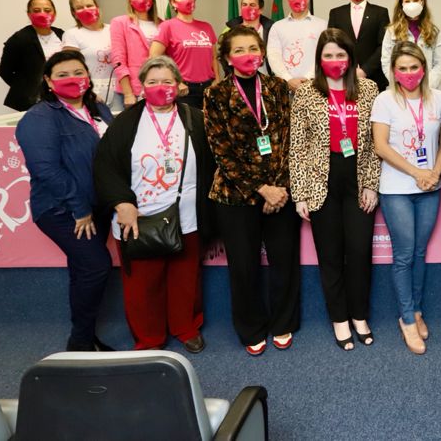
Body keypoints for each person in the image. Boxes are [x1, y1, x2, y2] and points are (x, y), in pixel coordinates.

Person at [94, 56, 216, 352]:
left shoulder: (195, 118)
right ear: (142, 86)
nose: (160, 87)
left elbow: (213, 163)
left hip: (186, 214)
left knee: (185, 277)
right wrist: (121, 203)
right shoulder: (125, 123)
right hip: (138, 216)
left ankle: (186, 327)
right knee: (142, 285)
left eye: (167, 81)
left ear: (179, 85)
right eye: (152, 82)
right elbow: (105, 166)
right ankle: (149, 338)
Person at [203, 26, 298, 356]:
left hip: (280, 191)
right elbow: (221, 150)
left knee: (284, 261)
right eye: (239, 50)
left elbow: (287, 140)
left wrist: (278, 188)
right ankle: (251, 328)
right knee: (243, 267)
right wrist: (260, 189)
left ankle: (283, 322)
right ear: (228, 58)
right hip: (236, 195)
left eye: (253, 48)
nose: (248, 55)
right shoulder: (215, 95)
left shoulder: (276, 87)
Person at [15, 50, 114, 351]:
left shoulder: (97, 108)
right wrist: (79, 209)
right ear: (48, 81)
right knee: (96, 266)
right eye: (62, 75)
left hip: (97, 206)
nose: (72, 79)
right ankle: (79, 344)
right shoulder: (39, 118)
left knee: (82, 270)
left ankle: (84, 337)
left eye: (78, 72)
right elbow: (45, 170)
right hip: (63, 210)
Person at [289, 28, 381, 351]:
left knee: (359, 253)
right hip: (320, 179)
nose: (334, 60)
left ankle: (359, 315)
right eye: (328, 55)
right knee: (330, 256)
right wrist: (299, 192)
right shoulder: (306, 93)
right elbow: (298, 146)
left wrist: (371, 184)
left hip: (357, 177)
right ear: (319, 59)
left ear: (351, 57)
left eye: (340, 54)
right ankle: (339, 319)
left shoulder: (369, 89)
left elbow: (373, 145)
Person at [371, 41, 441, 355]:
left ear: (424, 69)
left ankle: (417, 310)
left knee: (419, 252)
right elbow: (381, 146)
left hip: (430, 188)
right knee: (403, 255)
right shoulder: (384, 100)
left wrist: (434, 173)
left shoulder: (440, 99)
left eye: (414, 67)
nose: (408, 73)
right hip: (397, 189)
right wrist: (417, 173)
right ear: (393, 71)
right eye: (401, 68)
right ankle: (406, 318)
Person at [150, 0, 221, 109]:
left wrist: (217, 79)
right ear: (173, 3)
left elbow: (214, 57)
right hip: (184, 88)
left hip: (208, 87)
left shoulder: (206, 27)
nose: (186, 0)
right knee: (188, 126)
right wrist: (175, 81)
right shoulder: (168, 26)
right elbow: (154, 57)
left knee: (210, 126)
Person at [327, 0, 391, 90]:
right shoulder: (336, 13)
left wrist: (365, 70)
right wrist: (347, 70)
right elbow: (331, 46)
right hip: (343, 77)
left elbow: (384, 46)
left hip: (374, 79)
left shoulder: (381, 12)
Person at [0, 0, 64, 111]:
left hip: (62, 97)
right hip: (32, 102)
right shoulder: (19, 38)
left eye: (47, 10)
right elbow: (4, 71)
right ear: (29, 14)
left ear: (55, 13)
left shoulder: (62, 35)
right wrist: (26, 88)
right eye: (36, 11)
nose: (43, 14)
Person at [62, 0, 121, 112]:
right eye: (79, 8)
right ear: (74, 13)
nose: (86, 9)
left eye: (89, 5)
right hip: (90, 92)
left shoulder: (114, 29)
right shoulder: (72, 34)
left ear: (97, 7)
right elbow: (70, 68)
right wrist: (87, 92)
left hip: (119, 91)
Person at [380, 0, 441, 90]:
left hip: (430, 90)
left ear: (422, 2)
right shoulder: (391, 31)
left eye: (415, 0)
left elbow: (440, 62)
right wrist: (401, 83)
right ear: (402, 4)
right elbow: (386, 61)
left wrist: (428, 85)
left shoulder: (434, 32)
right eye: (407, 1)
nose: (412, 4)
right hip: (400, 90)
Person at [111, 0, 163, 108]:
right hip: (131, 91)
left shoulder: (163, 24)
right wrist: (128, 93)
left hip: (158, 87)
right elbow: (118, 60)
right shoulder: (120, 22)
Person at [267, 0, 327, 90]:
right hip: (285, 86)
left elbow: (325, 55)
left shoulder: (322, 25)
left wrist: (308, 77)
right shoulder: (277, 27)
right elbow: (273, 55)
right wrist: (288, 78)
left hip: (315, 85)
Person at [225, 0, 275, 73]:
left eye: (252, 5)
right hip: (238, 78)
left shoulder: (271, 30)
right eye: (244, 5)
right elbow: (224, 57)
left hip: (265, 78)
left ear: (260, 10)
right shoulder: (229, 30)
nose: (248, 8)